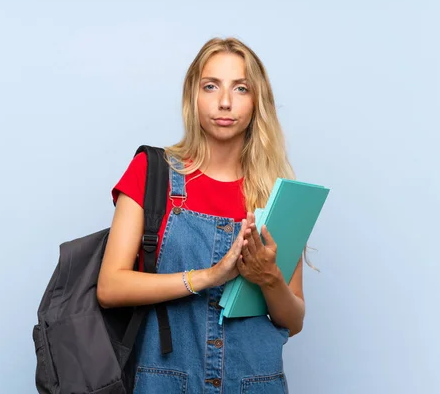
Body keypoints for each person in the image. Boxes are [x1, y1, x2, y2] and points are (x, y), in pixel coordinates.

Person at [98, 37, 308, 394]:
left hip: (254, 384)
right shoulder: (151, 172)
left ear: (257, 101)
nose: (225, 102)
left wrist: (269, 278)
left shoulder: (278, 195)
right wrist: (208, 276)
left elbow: (293, 320)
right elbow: (110, 287)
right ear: (192, 97)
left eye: (240, 88)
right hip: (164, 381)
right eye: (211, 86)